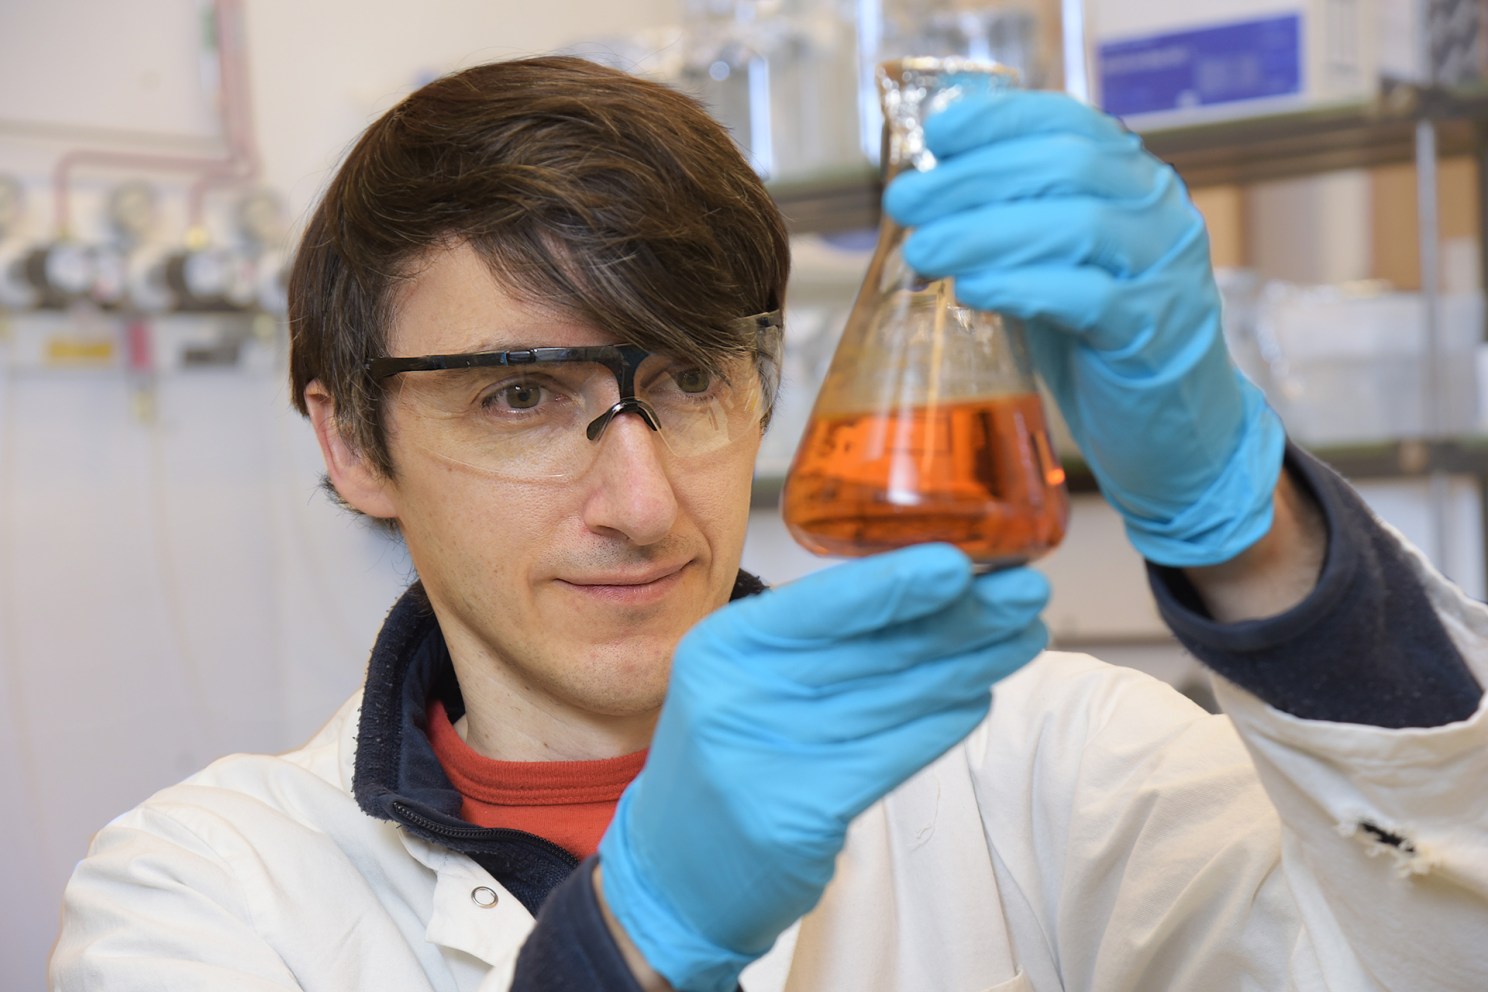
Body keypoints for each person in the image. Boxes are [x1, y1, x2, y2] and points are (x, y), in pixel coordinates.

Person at [51, 55, 1487, 992]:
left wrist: (1247, 531)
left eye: (685, 380)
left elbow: (1429, 951)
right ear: (354, 442)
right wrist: (637, 940)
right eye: (516, 398)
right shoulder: (207, 888)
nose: (642, 503)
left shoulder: (1051, 764)